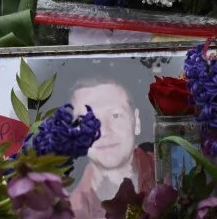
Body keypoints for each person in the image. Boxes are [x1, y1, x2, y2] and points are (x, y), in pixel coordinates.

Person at [63, 72, 157, 218]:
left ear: (136, 122)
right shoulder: (69, 212)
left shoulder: (174, 173)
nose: (104, 131)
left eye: (115, 116)